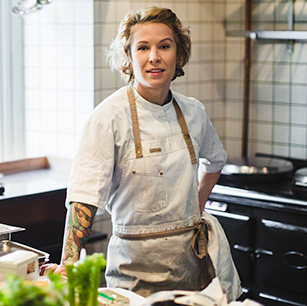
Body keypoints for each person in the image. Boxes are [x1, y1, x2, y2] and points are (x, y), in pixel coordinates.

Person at [41, 6, 241, 301]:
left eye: (164, 46)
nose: (154, 57)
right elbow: (84, 195)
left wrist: (195, 207)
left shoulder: (194, 112)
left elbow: (216, 161)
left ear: (179, 54)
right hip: (133, 277)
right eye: (143, 47)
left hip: (192, 270)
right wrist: (69, 263)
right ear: (129, 57)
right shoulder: (107, 118)